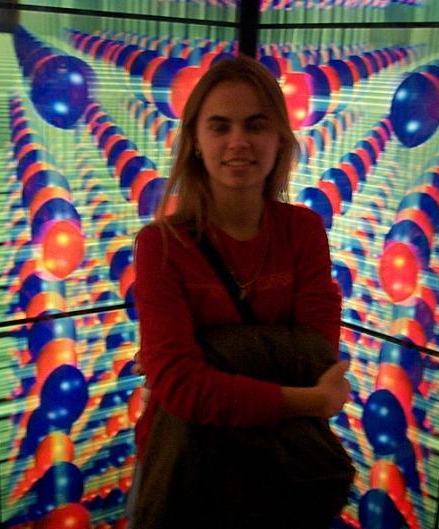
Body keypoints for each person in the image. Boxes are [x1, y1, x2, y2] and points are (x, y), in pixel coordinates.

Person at [130, 53, 351, 528]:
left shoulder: (303, 230)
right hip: (187, 468)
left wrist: (212, 357)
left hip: (278, 471)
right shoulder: (160, 245)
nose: (238, 142)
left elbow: (316, 355)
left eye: (255, 125)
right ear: (195, 140)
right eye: (220, 126)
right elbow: (181, 388)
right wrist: (309, 400)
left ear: (279, 138)